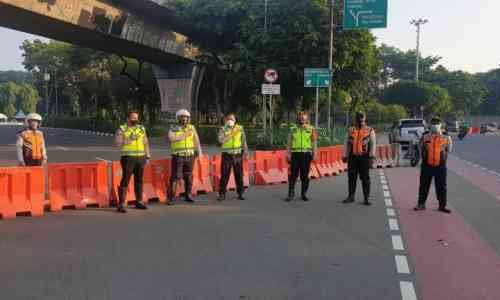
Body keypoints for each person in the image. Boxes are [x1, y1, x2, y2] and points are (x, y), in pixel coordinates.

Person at [414, 116, 453, 213]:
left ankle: (442, 206)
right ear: (429, 124)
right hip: (427, 165)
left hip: (440, 166)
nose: (435, 125)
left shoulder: (446, 136)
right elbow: (420, 146)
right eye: (433, 123)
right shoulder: (425, 136)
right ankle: (421, 204)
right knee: (424, 185)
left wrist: (443, 157)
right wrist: (423, 156)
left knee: (441, 186)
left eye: (437, 123)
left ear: (441, 124)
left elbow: (449, 149)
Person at [115, 111, 151, 213]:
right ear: (127, 119)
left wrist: (148, 155)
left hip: (141, 158)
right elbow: (117, 143)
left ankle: (139, 201)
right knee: (125, 180)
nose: (135, 120)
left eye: (136, 118)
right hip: (128, 158)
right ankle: (121, 204)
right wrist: (129, 139)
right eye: (133, 118)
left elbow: (145, 142)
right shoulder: (122, 129)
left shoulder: (141, 128)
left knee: (139, 180)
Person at [167, 109, 203, 205]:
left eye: (186, 117)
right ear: (178, 118)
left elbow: (196, 141)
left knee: (188, 176)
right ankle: (171, 198)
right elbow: (172, 138)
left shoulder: (191, 128)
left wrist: (199, 153)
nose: (184, 119)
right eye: (182, 117)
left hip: (190, 156)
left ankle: (188, 195)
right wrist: (184, 135)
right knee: (175, 176)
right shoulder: (173, 128)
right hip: (178, 156)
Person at [342, 111, 376, 206]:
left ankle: (366, 197)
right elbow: (346, 143)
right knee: (351, 177)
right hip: (352, 157)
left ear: (365, 119)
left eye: (362, 119)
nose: (360, 121)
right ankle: (351, 196)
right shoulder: (350, 130)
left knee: (365, 178)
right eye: (358, 119)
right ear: (355, 119)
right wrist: (345, 155)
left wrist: (372, 157)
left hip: (364, 157)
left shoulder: (369, 130)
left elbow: (373, 144)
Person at [285, 111, 317, 202]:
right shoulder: (293, 129)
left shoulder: (311, 129)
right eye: (301, 118)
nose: (302, 119)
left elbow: (314, 143)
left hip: (306, 155)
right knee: (292, 175)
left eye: (304, 118)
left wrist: (314, 154)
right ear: (298, 118)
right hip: (295, 154)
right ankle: (291, 193)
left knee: (304, 175)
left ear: (307, 119)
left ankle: (304, 193)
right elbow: (289, 143)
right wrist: (288, 154)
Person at [217, 113, 249, 201]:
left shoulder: (240, 128)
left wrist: (246, 152)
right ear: (226, 120)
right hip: (227, 155)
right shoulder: (223, 129)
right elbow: (220, 140)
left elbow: (244, 141)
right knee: (224, 175)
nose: (230, 120)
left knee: (239, 175)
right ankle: (222, 194)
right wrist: (230, 133)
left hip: (238, 154)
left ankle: (240, 193)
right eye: (228, 119)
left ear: (235, 120)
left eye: (232, 119)